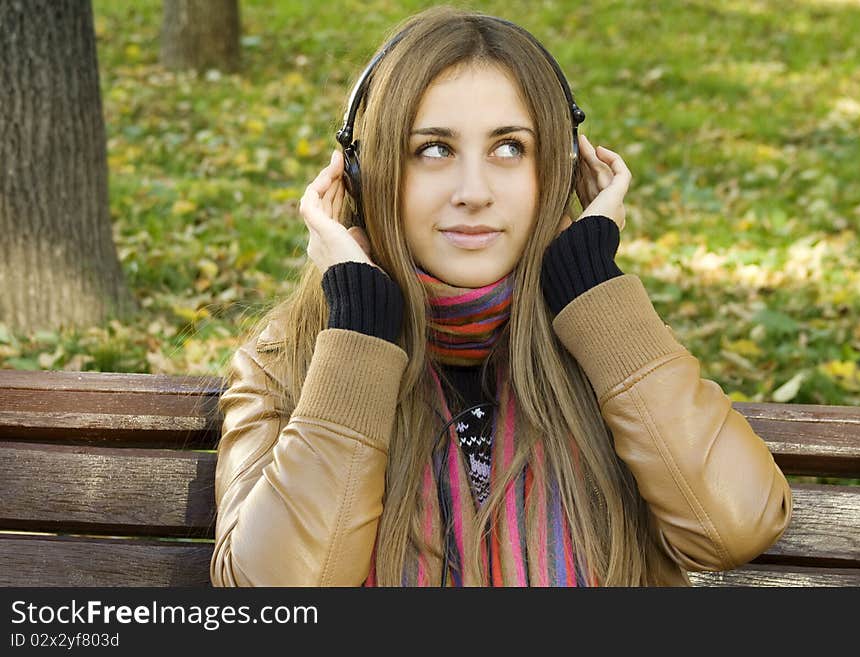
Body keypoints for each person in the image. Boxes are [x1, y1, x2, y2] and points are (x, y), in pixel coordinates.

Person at [210, 6, 792, 587]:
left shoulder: (605, 337)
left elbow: (734, 527)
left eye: (509, 148)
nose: (474, 192)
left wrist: (593, 287)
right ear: (365, 175)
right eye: (433, 149)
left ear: (561, 171)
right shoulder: (288, 360)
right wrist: (360, 336)